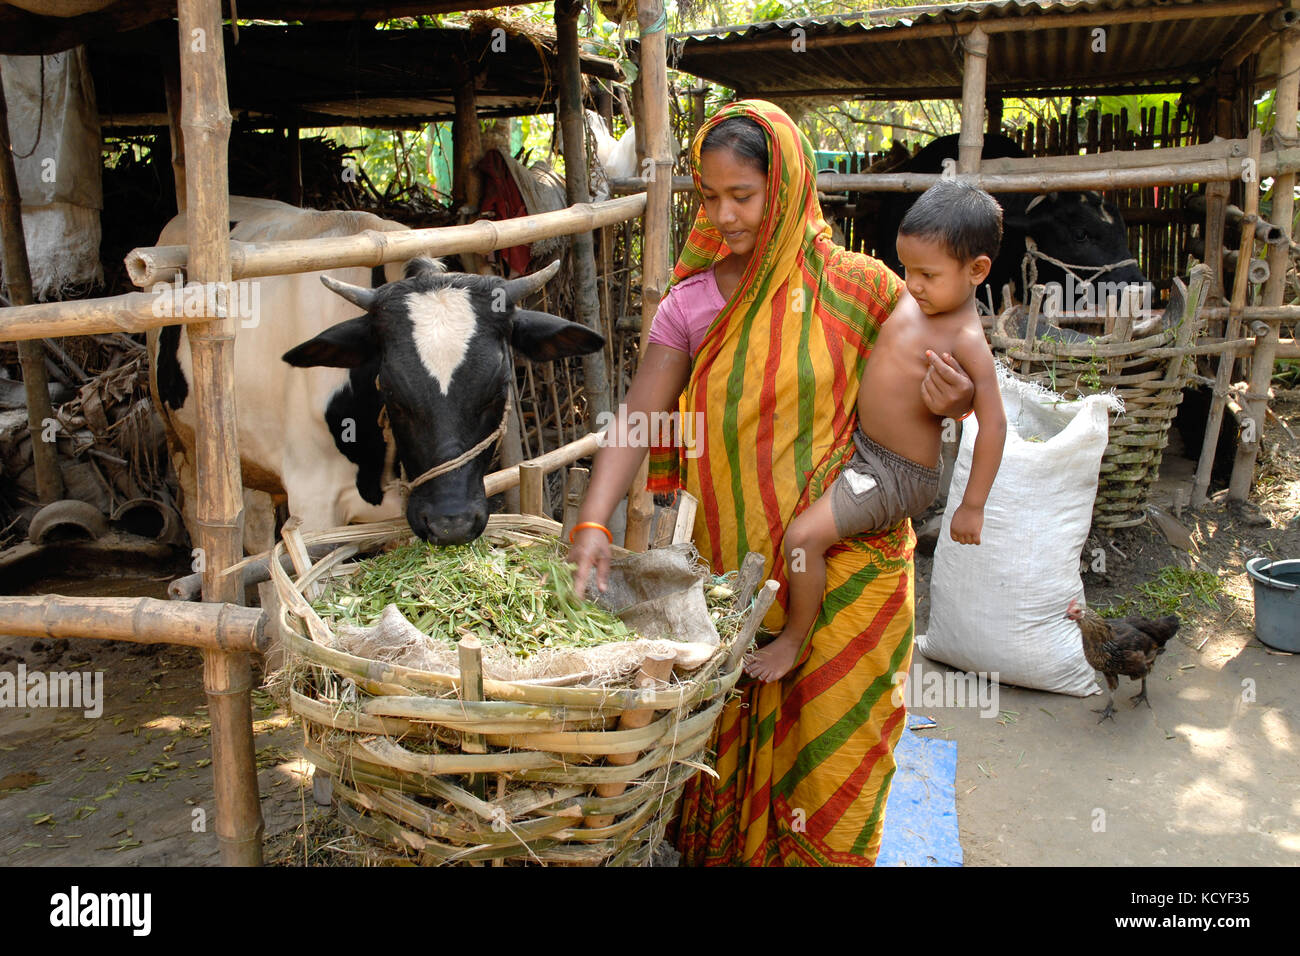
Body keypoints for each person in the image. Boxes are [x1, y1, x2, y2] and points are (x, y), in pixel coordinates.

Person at [568, 100, 974, 866]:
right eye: (708, 196)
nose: (723, 215)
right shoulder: (690, 306)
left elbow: (916, 416)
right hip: (730, 588)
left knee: (830, 781)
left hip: (848, 575)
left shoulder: (868, 291)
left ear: (784, 186)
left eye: (742, 196)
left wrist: (945, 404)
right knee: (718, 765)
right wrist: (592, 519)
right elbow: (638, 421)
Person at [746, 181, 1008, 684]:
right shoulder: (917, 299)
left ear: (977, 271)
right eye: (907, 268)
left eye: (927, 274)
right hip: (863, 449)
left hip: (895, 474)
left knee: (803, 536)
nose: (913, 283)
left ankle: (794, 640)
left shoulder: (965, 338)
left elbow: (994, 422)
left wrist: (972, 504)